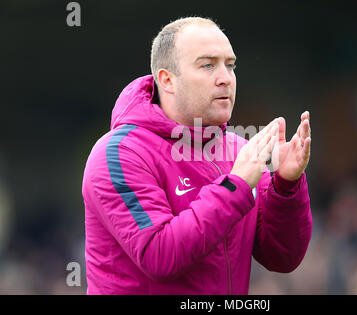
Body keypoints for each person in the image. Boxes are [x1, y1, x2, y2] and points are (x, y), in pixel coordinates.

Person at [82, 16, 312, 295]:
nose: (225, 79)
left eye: (230, 65)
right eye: (207, 65)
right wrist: (234, 187)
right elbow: (159, 255)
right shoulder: (119, 154)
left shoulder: (240, 151)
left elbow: (282, 257)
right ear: (167, 80)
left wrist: (285, 186)